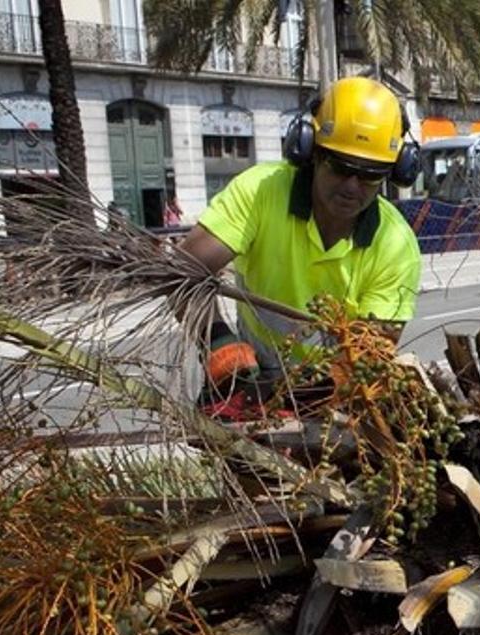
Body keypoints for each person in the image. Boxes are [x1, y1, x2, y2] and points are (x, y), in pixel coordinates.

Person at [177, 77, 422, 417]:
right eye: (340, 167)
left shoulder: (396, 244)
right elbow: (182, 272)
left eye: (369, 174)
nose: (352, 186)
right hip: (248, 376)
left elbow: (369, 354)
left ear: (396, 170)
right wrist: (217, 343)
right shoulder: (260, 193)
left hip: (331, 393)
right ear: (309, 151)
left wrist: (308, 399)